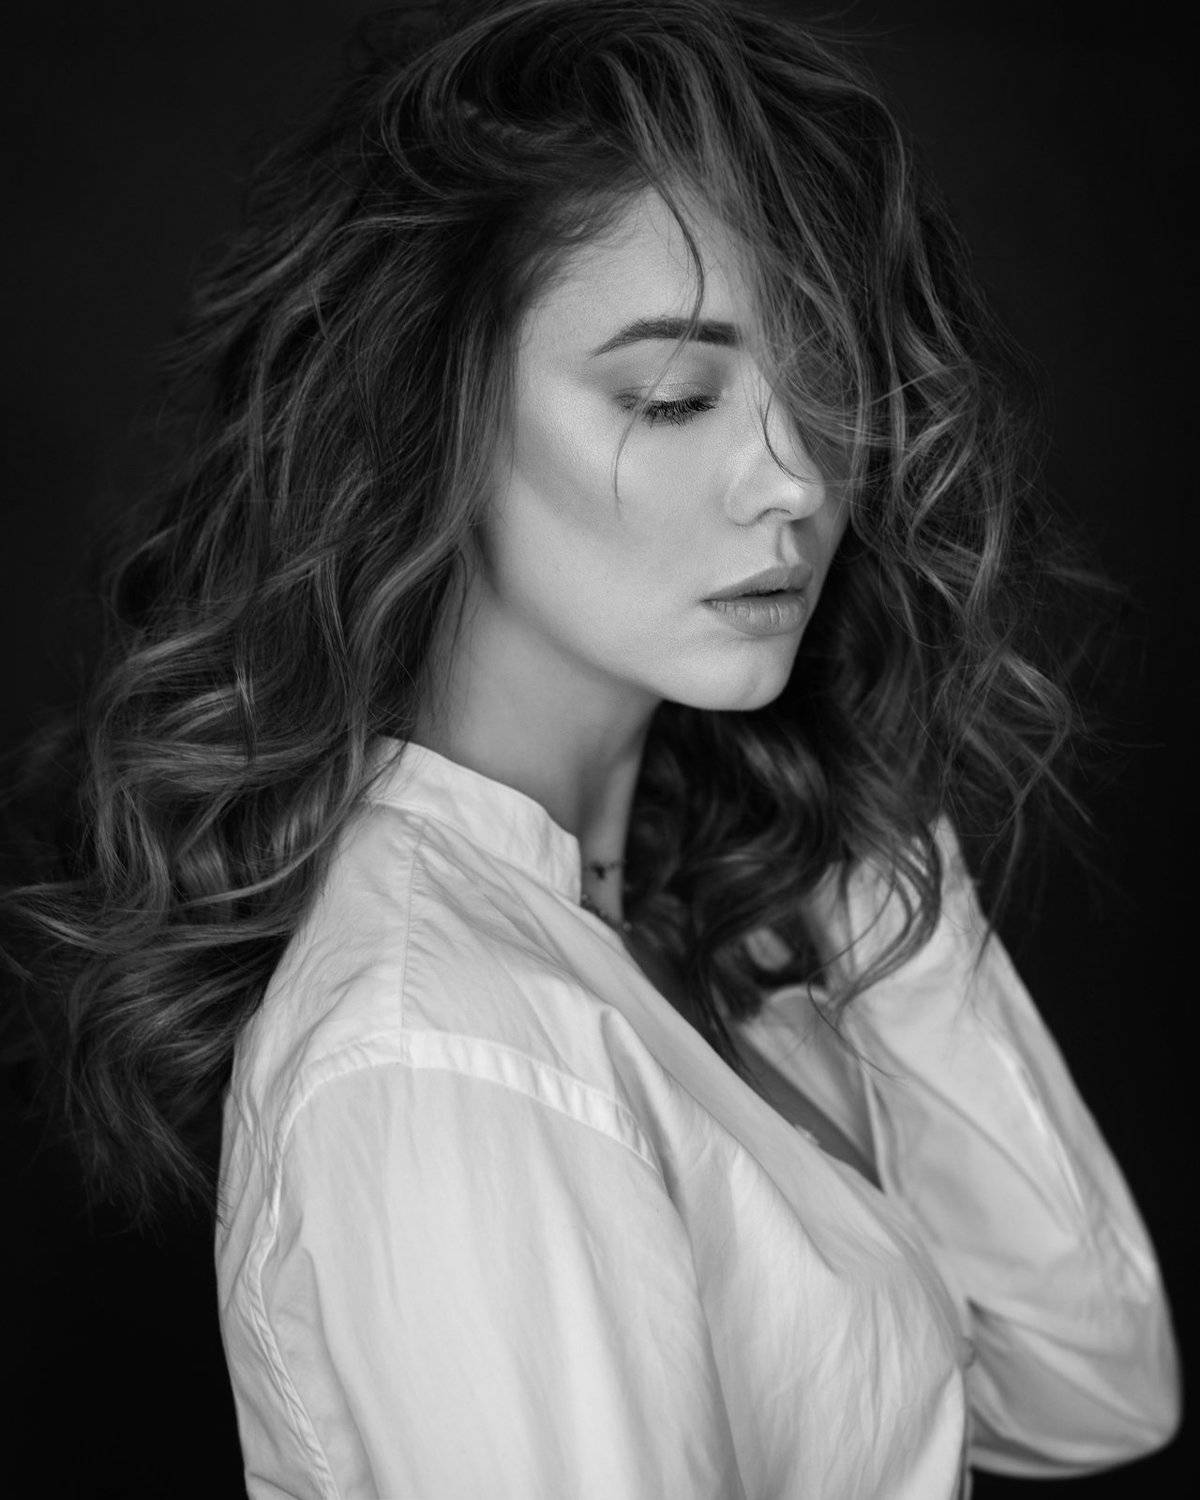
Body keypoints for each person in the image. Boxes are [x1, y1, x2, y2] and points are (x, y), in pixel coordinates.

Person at [1, 0, 1181, 1495]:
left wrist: (862, 827)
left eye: (829, 382)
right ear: (429, 413)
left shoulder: (685, 915)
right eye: (673, 397)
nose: (798, 478)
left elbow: (1088, 1387)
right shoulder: (457, 1052)